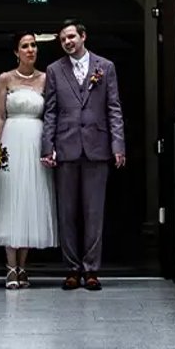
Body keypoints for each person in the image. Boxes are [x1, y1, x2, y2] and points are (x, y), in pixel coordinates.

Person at [41, 18, 125, 292]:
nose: (67, 42)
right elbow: (50, 111)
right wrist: (47, 146)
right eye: (63, 39)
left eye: (71, 37)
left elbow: (113, 107)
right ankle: (71, 269)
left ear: (83, 36)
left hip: (97, 146)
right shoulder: (54, 70)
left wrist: (118, 145)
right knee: (67, 212)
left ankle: (91, 270)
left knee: (93, 211)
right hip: (65, 147)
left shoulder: (105, 67)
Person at [0, 33, 58, 289]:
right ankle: (10, 267)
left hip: (35, 140)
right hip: (12, 140)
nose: (31, 49)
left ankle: (24, 266)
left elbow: (52, 114)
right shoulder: (5, 79)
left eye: (34, 45)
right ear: (16, 52)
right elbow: (0, 116)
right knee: (10, 199)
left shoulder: (46, 78)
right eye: (25, 46)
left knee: (30, 199)